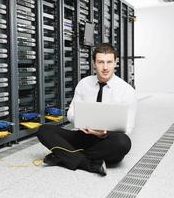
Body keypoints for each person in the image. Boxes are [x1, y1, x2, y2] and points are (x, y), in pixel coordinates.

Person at [37, 43, 137, 176]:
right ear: (94, 63)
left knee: (123, 143)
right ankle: (88, 163)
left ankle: (64, 156)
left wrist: (104, 133)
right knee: (44, 130)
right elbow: (70, 113)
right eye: (101, 62)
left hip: (106, 140)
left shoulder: (126, 90)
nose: (105, 67)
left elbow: (128, 127)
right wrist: (81, 122)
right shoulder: (84, 84)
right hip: (83, 135)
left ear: (115, 63)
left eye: (109, 62)